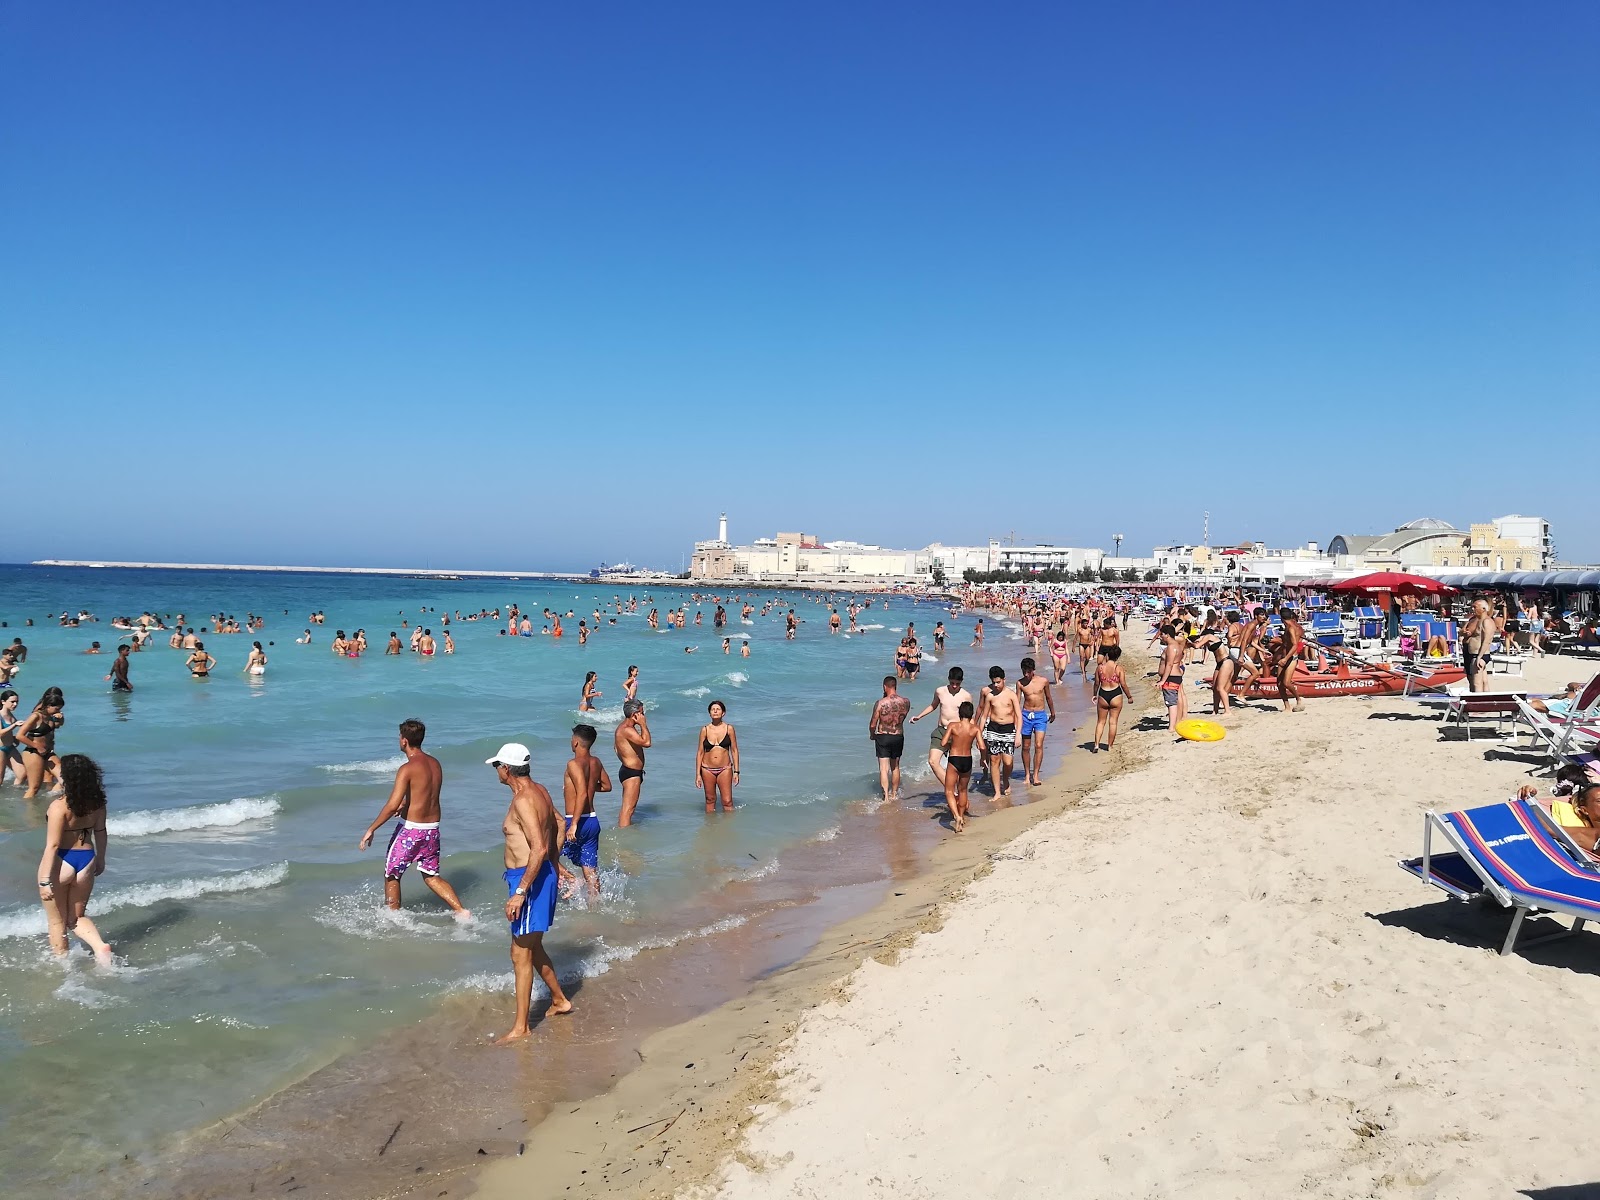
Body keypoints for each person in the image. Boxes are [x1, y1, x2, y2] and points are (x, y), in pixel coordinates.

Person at [487, 742, 571, 1041]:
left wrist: (521, 890)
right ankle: (560, 1000)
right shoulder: (540, 791)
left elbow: (539, 846)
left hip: (529, 880)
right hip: (536, 875)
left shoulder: (524, 800)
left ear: (506, 769)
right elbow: (559, 823)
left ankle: (521, 1028)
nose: (496, 770)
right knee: (532, 946)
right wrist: (555, 864)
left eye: (498, 765)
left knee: (519, 953)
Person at [357, 719, 471, 920]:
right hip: (432, 830)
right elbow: (426, 794)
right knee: (431, 876)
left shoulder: (406, 768)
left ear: (404, 741)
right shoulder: (435, 763)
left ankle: (393, 920)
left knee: (392, 874)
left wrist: (371, 828)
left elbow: (391, 805)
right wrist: (406, 806)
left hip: (410, 830)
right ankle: (462, 912)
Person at [36, 753, 114, 965]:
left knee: (57, 922)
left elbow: (52, 845)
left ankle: (64, 969)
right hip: (87, 859)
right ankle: (100, 947)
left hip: (63, 860)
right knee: (76, 918)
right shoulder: (98, 804)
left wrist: (44, 880)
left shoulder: (59, 806)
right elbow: (101, 832)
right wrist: (101, 860)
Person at [562, 723, 612, 900]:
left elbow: (582, 793)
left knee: (545, 853)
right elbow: (607, 787)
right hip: (592, 820)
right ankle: (594, 908)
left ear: (576, 742)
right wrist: (590, 788)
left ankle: (571, 880)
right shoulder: (596, 762)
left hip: (576, 820)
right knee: (590, 872)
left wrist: (573, 824)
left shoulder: (573, 764)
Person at [909, 667, 973, 790]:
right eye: (952, 683)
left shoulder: (966, 696)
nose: (954, 686)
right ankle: (950, 788)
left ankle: (957, 792)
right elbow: (933, 705)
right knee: (933, 761)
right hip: (941, 730)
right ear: (948, 679)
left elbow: (970, 717)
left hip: (958, 733)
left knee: (958, 768)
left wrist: (975, 734)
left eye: (957, 684)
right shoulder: (940, 691)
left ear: (962, 682)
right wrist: (919, 716)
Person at [976, 665, 1021, 797]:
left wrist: (1018, 735)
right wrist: (979, 735)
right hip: (993, 729)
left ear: (1004, 680)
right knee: (994, 761)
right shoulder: (990, 696)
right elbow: (984, 716)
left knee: (1008, 762)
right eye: (994, 682)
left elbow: (1018, 715)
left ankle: (1005, 780)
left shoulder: (1011, 695)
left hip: (1008, 729)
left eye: (998, 682)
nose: (996, 685)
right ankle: (997, 792)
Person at [16, 686, 65, 799]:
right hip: (33, 752)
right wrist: (36, 746)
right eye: (57, 709)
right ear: (48, 706)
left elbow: (58, 725)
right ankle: (29, 811)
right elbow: (20, 735)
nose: (58, 711)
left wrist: (60, 718)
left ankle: (49, 799)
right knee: (34, 787)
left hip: (48, 752)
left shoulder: (50, 717)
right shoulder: (36, 716)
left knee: (65, 777)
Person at [868, 675, 911, 804]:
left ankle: (886, 797)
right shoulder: (906, 702)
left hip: (883, 736)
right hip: (898, 736)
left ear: (885, 687)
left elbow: (872, 724)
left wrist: (872, 734)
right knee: (895, 767)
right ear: (895, 686)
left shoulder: (881, 703)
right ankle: (894, 793)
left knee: (883, 768)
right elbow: (902, 717)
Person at [939, 701, 980, 832]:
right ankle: (961, 817)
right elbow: (982, 746)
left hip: (954, 759)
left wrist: (952, 742)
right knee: (963, 790)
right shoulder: (975, 728)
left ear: (959, 713)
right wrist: (983, 759)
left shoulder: (953, 725)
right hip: (967, 759)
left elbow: (943, 742)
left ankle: (956, 816)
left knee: (949, 790)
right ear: (971, 714)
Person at [1016, 657, 1055, 786]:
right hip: (1026, 715)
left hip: (1040, 715)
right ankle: (1027, 775)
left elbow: (1048, 697)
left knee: (1038, 745)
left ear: (1033, 670)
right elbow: (1017, 702)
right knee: (1026, 747)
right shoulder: (1020, 683)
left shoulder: (1043, 681)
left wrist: (1053, 712)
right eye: (1024, 671)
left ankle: (1036, 775)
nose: (1026, 674)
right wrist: (1015, 718)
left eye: (1028, 671)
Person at [696, 700, 739, 813]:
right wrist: (697, 775)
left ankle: (728, 828)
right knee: (710, 800)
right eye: (712, 709)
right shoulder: (704, 730)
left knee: (727, 801)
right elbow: (700, 752)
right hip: (707, 769)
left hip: (725, 769)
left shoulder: (729, 728)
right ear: (709, 713)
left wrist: (736, 772)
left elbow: (734, 750)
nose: (715, 711)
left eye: (718, 709)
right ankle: (710, 828)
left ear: (723, 713)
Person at [614, 699, 651, 827]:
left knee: (627, 808)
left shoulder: (624, 728)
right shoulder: (627, 729)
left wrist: (626, 759)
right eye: (641, 712)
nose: (643, 715)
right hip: (631, 773)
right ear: (634, 714)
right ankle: (624, 841)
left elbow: (616, 749)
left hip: (629, 770)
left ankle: (624, 830)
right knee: (628, 810)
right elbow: (646, 743)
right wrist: (643, 725)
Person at [1092, 645, 1131, 752]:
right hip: (1116, 694)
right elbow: (1123, 684)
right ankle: (1110, 746)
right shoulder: (1118, 668)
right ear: (1117, 656)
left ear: (1107, 655)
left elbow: (1096, 683)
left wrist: (1094, 694)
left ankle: (1096, 744)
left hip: (1103, 694)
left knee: (1100, 722)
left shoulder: (1100, 668)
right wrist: (1129, 697)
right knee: (1113, 722)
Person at [1461, 599, 1497, 694]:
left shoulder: (1487, 621)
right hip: (1474, 653)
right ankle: (1486, 701)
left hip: (1479, 654)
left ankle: (1477, 704)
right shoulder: (1476, 620)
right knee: (1484, 681)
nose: (1473, 609)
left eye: (1475, 607)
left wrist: (1479, 657)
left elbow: (1487, 641)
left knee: (1477, 682)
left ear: (1484, 609)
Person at [0, 689, 22, 788]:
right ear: (3, 701)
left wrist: (15, 738)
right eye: (12, 702)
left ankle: (13, 798)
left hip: (11, 747)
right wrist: (14, 725)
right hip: (1, 749)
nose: (15, 704)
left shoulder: (11, 714)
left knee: (22, 774)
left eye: (17, 702)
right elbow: (0, 733)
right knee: (0, 778)